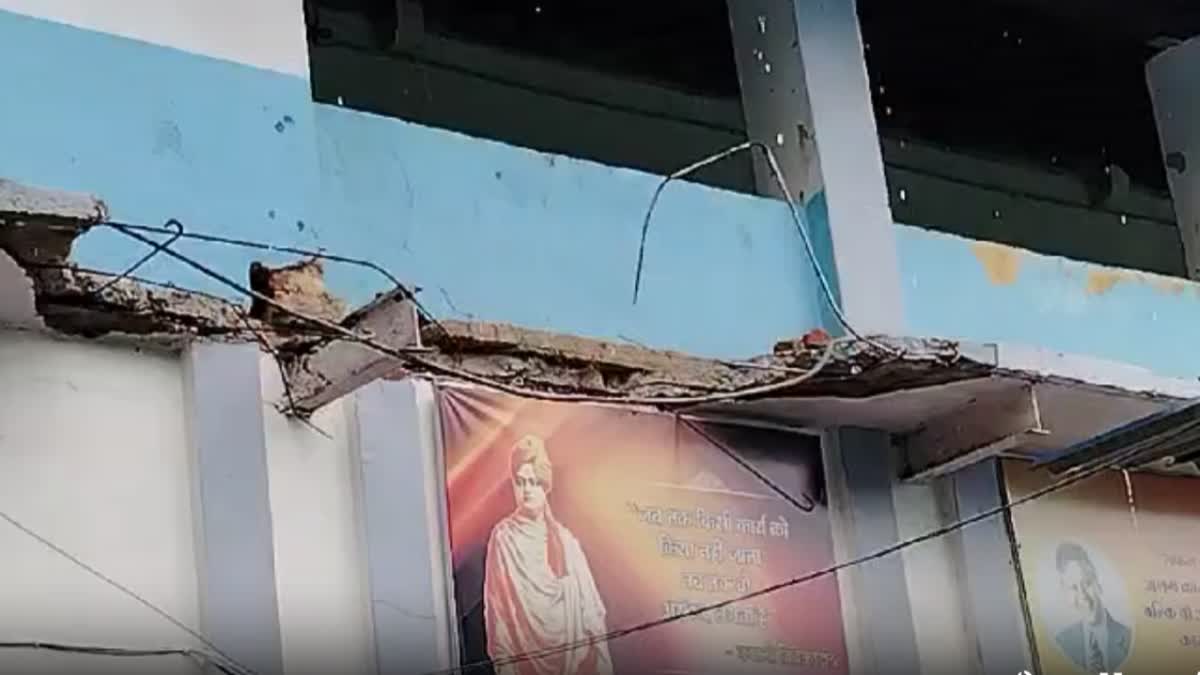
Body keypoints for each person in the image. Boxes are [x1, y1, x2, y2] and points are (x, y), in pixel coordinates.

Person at [483, 435, 614, 675]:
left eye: (533, 482)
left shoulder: (566, 544)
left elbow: (593, 616)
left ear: (545, 486)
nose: (527, 490)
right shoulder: (504, 538)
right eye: (521, 482)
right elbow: (498, 614)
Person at [1053, 542, 1131, 673]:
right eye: (1073, 588)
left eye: (1087, 583)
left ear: (1098, 582)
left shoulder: (1128, 639)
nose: (1083, 595)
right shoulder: (1062, 643)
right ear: (1066, 594)